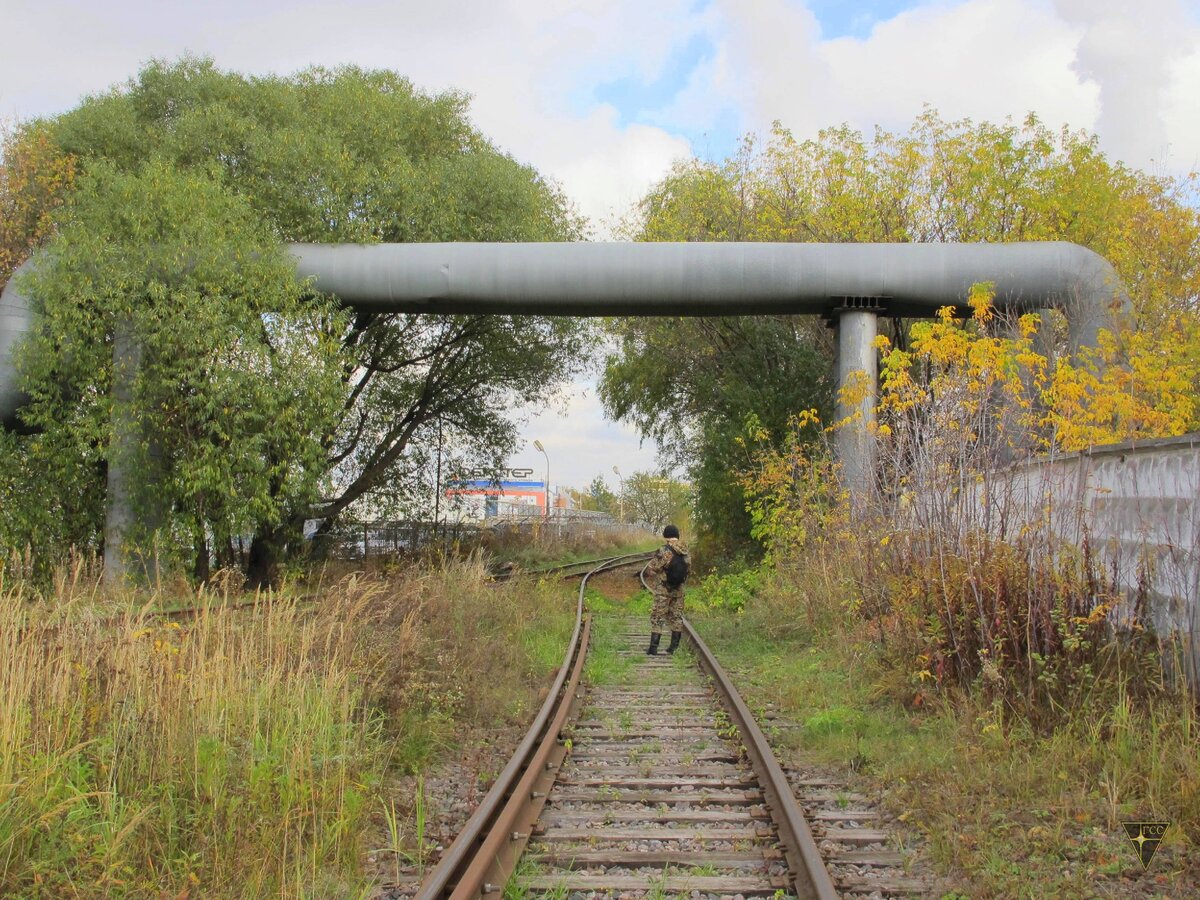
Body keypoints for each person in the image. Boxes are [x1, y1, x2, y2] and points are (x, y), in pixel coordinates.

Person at [645, 524, 691, 655]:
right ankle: (673, 648)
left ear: (666, 536)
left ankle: (653, 648)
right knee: (676, 617)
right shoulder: (686, 552)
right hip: (679, 590)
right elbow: (689, 570)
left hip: (663, 589)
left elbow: (653, 567)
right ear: (677, 536)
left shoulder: (664, 551)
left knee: (658, 616)